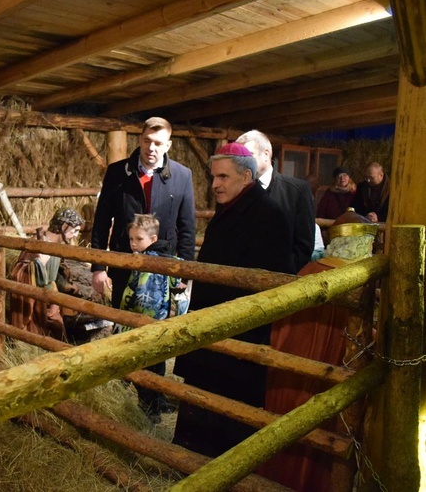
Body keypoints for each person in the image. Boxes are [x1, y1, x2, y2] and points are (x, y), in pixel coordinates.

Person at [172, 142, 294, 457]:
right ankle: (191, 459)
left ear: (246, 176)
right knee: (203, 396)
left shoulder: (270, 215)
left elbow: (275, 278)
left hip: (239, 332)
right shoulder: (231, 209)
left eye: (223, 177)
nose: (214, 185)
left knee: (229, 408)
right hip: (212, 325)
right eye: (214, 178)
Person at [259, 208, 378, 491]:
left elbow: (282, 329)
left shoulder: (309, 272)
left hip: (293, 374)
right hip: (329, 375)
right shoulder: (358, 282)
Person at [90, 116, 196, 310]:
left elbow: (187, 228)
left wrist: (185, 273)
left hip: (164, 269)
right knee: (122, 321)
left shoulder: (182, 175)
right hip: (124, 264)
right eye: (147, 140)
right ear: (139, 140)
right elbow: (101, 221)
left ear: (168, 145)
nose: (151, 147)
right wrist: (98, 267)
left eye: (158, 143)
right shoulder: (117, 173)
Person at [117, 214, 186, 420]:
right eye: (131, 239)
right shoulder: (155, 260)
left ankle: (150, 410)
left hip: (149, 324)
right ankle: (152, 405)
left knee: (148, 366)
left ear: (153, 239)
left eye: (139, 239)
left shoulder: (159, 262)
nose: (133, 244)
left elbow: (175, 285)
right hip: (146, 323)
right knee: (151, 364)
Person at [236, 130, 315, 273]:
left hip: (280, 283)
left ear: (266, 154)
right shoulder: (236, 191)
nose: (243, 163)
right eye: (239, 158)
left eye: (249, 155)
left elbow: (304, 244)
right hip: (240, 280)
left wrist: (283, 271)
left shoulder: (297, 191)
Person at [9, 208, 85, 341]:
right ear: (64, 226)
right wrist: (38, 264)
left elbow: (52, 274)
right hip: (37, 303)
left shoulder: (56, 246)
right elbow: (19, 272)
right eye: (75, 230)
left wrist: (64, 285)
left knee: (58, 331)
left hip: (50, 300)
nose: (76, 235)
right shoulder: (37, 244)